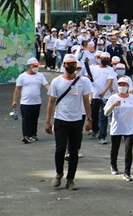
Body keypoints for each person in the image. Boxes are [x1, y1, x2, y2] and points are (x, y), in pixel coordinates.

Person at [45, 54, 92, 190]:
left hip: (77, 120)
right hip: (60, 120)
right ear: (64, 65)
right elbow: (51, 102)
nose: (70, 66)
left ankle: (70, 179)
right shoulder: (56, 82)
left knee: (73, 151)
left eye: (73, 64)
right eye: (68, 64)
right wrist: (47, 121)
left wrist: (89, 119)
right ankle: (59, 173)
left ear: (76, 66)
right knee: (60, 149)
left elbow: (86, 102)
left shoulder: (83, 81)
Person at [104, 76, 133, 181]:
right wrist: (113, 105)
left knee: (128, 149)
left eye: (124, 85)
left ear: (128, 86)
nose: (122, 87)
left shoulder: (132, 98)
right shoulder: (113, 98)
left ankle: (127, 172)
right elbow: (106, 113)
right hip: (116, 127)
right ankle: (113, 165)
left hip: (129, 127)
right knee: (114, 148)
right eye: (120, 85)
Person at [12, 57, 49, 143]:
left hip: (37, 102)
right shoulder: (22, 76)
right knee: (26, 119)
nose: (36, 67)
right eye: (34, 66)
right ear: (29, 66)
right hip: (25, 102)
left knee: (34, 119)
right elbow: (17, 89)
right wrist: (14, 100)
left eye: (37, 66)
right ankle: (26, 135)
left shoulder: (40, 76)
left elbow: (46, 85)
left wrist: (52, 92)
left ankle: (33, 134)